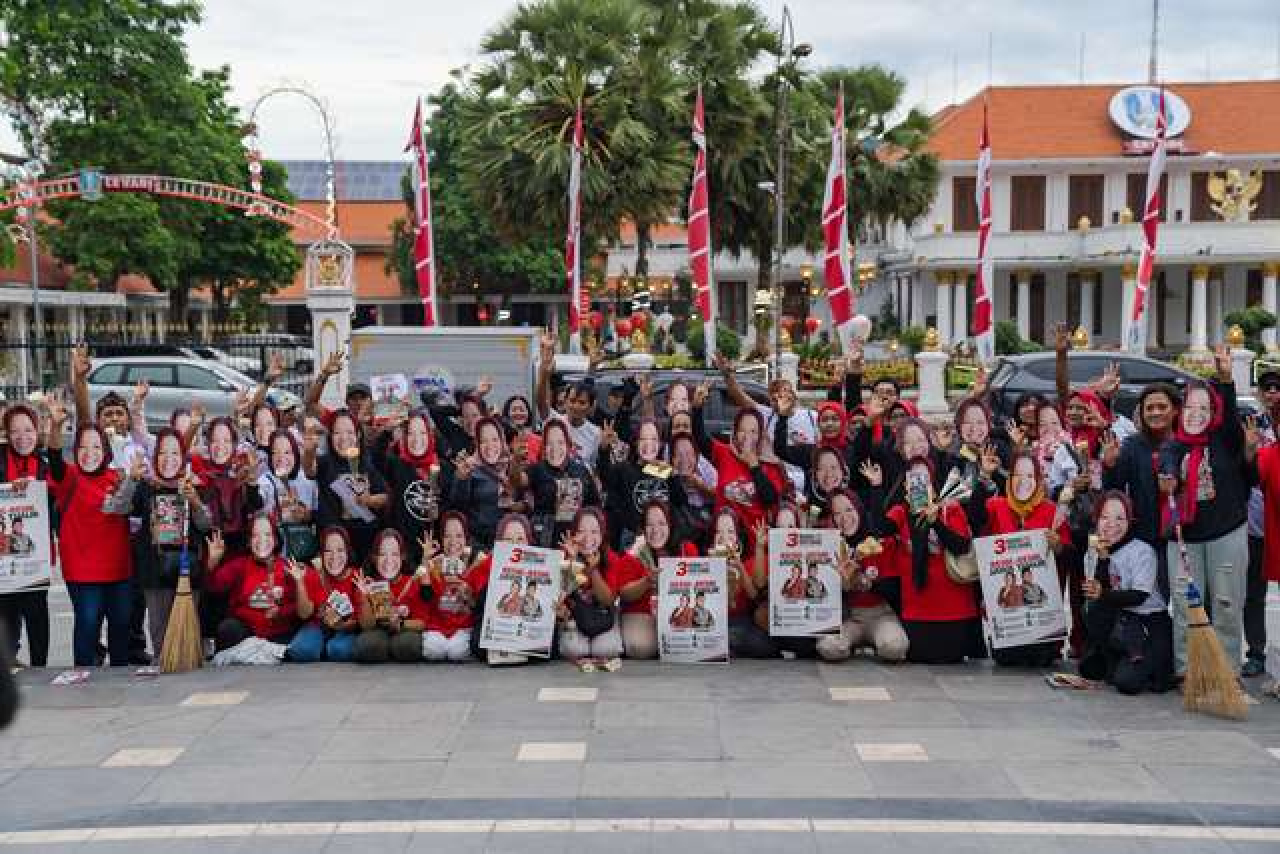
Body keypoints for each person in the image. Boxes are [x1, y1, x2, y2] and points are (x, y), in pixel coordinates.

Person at [1159, 348, 1251, 679]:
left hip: (1227, 531)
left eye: (1204, 407)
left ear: (1213, 412)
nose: (1196, 413)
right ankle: (1188, 670)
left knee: (1226, 604)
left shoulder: (1224, 439)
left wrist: (1226, 379)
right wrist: (1168, 477)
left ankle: (1228, 671)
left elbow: (1231, 420)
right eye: (1190, 407)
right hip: (1185, 537)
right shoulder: (1174, 445)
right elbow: (1167, 462)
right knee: (1185, 605)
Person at [48, 407, 141, 668]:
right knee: (88, 622)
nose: (90, 453)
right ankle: (84, 672)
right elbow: (54, 458)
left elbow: (126, 507)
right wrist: (55, 426)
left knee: (121, 624)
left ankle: (119, 674)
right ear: (75, 451)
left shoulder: (118, 477)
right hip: (82, 570)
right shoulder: (70, 477)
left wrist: (132, 480)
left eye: (97, 447)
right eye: (83, 448)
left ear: (106, 451)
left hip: (118, 569)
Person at [973, 449, 1071, 666]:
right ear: (1010, 478)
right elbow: (976, 518)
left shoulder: (1052, 511)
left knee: (1043, 657)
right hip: (1009, 619)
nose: (1023, 481)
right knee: (1006, 658)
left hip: (1042, 617)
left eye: (1030, 476)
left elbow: (1067, 551)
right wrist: (984, 477)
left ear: (1038, 480)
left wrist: (1058, 545)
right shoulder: (996, 505)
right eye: (1017, 475)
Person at [885, 456, 986, 665]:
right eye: (913, 478)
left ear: (933, 481)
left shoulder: (950, 507)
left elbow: (961, 546)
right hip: (917, 607)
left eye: (924, 477)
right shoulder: (901, 511)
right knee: (918, 654)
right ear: (905, 483)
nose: (919, 482)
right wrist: (877, 487)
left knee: (951, 656)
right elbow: (878, 528)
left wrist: (936, 522)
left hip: (953, 607)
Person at [1079, 492, 1173, 695]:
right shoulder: (1092, 553)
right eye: (1105, 517)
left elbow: (1139, 596)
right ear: (1096, 520)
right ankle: (1111, 656)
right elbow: (1096, 597)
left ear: (1130, 522)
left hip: (1148, 621)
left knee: (1127, 683)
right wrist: (1103, 561)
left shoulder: (1142, 551)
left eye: (1120, 518)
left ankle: (1155, 664)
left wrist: (1102, 593)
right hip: (1120, 622)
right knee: (1091, 610)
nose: (1111, 524)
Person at [130, 429, 212, 655]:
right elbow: (119, 509)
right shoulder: (146, 487)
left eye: (175, 453)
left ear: (184, 457)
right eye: (163, 453)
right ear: (155, 457)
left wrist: (194, 500)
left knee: (187, 634)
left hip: (187, 570)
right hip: (154, 572)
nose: (169, 459)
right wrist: (131, 479)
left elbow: (206, 525)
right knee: (160, 636)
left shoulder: (194, 486)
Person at [815, 487, 908, 664]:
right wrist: (844, 583)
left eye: (849, 510)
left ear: (858, 509)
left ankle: (876, 642)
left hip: (881, 614)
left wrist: (868, 583)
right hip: (851, 617)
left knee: (895, 647)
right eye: (837, 513)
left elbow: (896, 590)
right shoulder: (831, 546)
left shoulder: (879, 540)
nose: (844, 518)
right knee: (828, 648)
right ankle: (853, 645)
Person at [691, 385, 784, 545]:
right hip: (724, 541)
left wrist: (754, 465)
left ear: (761, 435)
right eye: (742, 430)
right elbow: (700, 438)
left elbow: (771, 500)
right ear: (734, 432)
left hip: (756, 544)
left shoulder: (770, 464)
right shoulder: (725, 453)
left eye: (753, 431)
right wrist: (697, 408)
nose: (747, 436)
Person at [0, 403, 55, 668]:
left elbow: (57, 499)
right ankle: (9, 664)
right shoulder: (0, 460)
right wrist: (11, 488)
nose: (23, 437)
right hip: (4, 559)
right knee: (7, 613)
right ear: (7, 435)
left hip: (36, 557)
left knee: (37, 612)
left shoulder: (45, 464)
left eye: (28, 430)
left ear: (37, 430)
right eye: (15, 431)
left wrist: (37, 488)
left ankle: (39, 666)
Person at [557, 508, 644, 661]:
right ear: (573, 532)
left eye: (594, 531)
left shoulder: (611, 558)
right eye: (581, 531)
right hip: (575, 619)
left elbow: (608, 600)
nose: (587, 537)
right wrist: (570, 561)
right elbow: (559, 596)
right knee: (573, 650)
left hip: (604, 616)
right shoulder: (564, 554)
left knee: (606, 650)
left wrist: (593, 570)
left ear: (602, 534)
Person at [204, 516, 300, 651]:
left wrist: (281, 612)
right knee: (227, 629)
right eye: (255, 535)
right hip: (247, 631)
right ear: (249, 542)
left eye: (267, 534)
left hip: (280, 631)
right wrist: (212, 562)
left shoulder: (287, 566)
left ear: (276, 540)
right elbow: (214, 586)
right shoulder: (240, 565)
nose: (262, 540)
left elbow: (299, 605)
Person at [598, 418, 687, 550]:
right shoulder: (625, 469)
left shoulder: (664, 470)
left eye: (654, 439)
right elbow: (605, 477)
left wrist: (673, 474)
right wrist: (604, 449)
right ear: (635, 442)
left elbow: (681, 500)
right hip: (633, 537)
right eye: (643, 439)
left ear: (661, 443)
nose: (648, 444)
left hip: (662, 536)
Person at [1243, 367, 1280, 677]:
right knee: (1253, 593)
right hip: (1256, 524)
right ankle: (1256, 651)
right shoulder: (1251, 423)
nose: (1272, 393)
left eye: (1277, 388)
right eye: (1267, 388)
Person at [316, 409, 389, 565]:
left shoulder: (366, 462)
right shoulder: (323, 463)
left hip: (367, 544)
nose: (344, 438)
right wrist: (309, 450)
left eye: (350, 432)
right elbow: (309, 468)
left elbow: (385, 496)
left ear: (358, 435)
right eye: (337, 433)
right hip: (336, 549)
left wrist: (369, 500)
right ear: (330, 436)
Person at [379, 410, 453, 564]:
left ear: (430, 436)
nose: (416, 439)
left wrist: (440, 511)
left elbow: (452, 504)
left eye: (422, 433)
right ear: (404, 437)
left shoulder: (444, 467)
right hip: (403, 551)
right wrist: (387, 431)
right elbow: (374, 459)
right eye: (410, 433)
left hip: (434, 549)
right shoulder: (396, 464)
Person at [627, 501, 697, 659]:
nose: (655, 530)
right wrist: (646, 581)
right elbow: (625, 594)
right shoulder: (635, 552)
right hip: (643, 612)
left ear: (670, 525)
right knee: (641, 648)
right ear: (643, 528)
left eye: (661, 523)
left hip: (677, 611)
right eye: (649, 524)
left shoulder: (687, 549)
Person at [286, 526, 363, 662]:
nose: (334, 556)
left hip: (347, 629)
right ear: (321, 554)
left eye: (340, 550)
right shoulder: (313, 574)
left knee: (338, 650)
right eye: (328, 551)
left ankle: (327, 649)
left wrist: (340, 625)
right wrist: (299, 582)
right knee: (300, 651)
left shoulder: (356, 577)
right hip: (317, 626)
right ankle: (321, 648)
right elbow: (304, 614)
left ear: (348, 552)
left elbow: (360, 622)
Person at [354, 529, 428, 663]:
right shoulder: (368, 583)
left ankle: (392, 648)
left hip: (405, 630)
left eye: (394, 554)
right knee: (366, 646)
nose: (389, 560)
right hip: (379, 631)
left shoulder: (413, 581)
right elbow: (366, 626)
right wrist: (364, 597)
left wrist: (401, 624)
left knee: (407, 645)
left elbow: (423, 623)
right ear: (374, 558)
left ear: (402, 556)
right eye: (382, 554)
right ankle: (387, 649)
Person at [449, 416, 522, 549]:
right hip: (480, 543)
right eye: (483, 441)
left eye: (495, 439)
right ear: (477, 443)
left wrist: (521, 506)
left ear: (502, 440)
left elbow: (528, 500)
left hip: (510, 542)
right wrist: (462, 479)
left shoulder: (513, 465)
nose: (490, 446)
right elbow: (458, 506)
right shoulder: (469, 467)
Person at [524, 420, 599, 548]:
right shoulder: (537, 469)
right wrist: (515, 462)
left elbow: (594, 505)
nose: (555, 448)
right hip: (544, 537)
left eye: (560, 442)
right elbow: (518, 482)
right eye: (549, 443)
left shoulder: (581, 470)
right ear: (543, 446)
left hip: (576, 537)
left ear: (568, 444)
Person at [419, 513, 481, 662]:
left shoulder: (475, 565)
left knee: (457, 652)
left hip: (463, 627)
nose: (453, 541)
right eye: (447, 536)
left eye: (459, 536)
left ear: (466, 539)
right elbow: (425, 595)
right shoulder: (434, 564)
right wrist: (425, 560)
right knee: (433, 650)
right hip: (437, 627)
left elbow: (476, 605)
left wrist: (466, 591)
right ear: (441, 539)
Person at [258, 429, 318, 563]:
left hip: (303, 549)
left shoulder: (308, 479)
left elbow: (318, 513)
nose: (281, 458)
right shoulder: (265, 480)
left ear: (296, 454)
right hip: (274, 552)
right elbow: (256, 502)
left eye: (287, 452)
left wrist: (307, 515)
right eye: (275, 453)